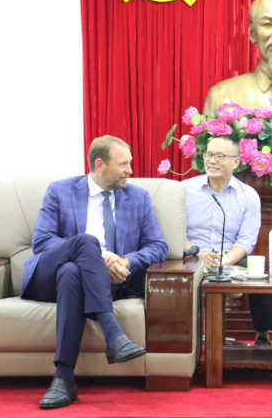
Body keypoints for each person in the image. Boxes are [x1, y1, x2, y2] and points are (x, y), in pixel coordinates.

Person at [22, 136, 167, 409]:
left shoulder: (138, 197)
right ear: (99, 165)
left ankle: (63, 378)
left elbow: (158, 246)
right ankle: (113, 334)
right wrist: (99, 255)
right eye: (123, 164)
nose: (130, 171)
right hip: (46, 279)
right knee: (85, 244)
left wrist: (124, 261)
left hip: (101, 282)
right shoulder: (60, 191)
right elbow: (41, 242)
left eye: (130, 164)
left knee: (71, 273)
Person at [183, 136, 272, 346]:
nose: (211, 161)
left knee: (260, 273)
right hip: (191, 255)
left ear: (235, 162)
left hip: (230, 257)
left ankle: (263, 334)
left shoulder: (248, 195)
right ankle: (184, 336)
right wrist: (197, 253)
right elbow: (175, 232)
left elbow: (246, 241)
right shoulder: (184, 190)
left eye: (219, 156)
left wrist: (223, 261)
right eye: (208, 155)